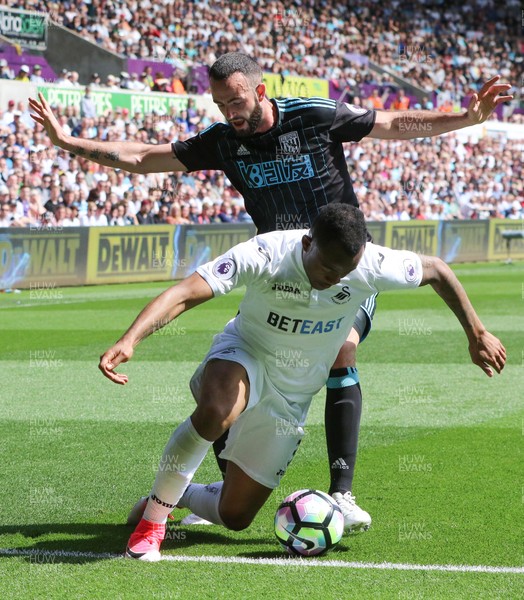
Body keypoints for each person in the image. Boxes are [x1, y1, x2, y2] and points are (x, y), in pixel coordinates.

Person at [29, 53, 513, 532]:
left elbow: (390, 123)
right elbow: (143, 157)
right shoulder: (224, 143)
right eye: (221, 105)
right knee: (243, 379)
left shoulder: (313, 116)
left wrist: (465, 118)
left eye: (236, 101)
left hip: (340, 266)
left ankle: (342, 494)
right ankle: (214, 485)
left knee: (342, 347)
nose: (229, 113)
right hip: (280, 274)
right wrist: (68, 141)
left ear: (260, 91)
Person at [98, 204, 506, 561]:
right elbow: (187, 292)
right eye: (329, 268)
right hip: (246, 353)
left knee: (236, 516)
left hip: (291, 398)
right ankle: (152, 526)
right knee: (217, 411)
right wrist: (130, 339)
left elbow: (437, 270)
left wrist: (476, 333)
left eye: (346, 271)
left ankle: (180, 493)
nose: (337, 278)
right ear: (308, 244)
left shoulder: (371, 265)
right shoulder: (267, 253)